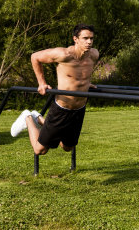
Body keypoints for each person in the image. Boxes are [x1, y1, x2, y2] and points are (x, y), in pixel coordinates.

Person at [11, 23, 98, 155]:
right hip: (62, 108)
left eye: (91, 38)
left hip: (79, 109)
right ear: (75, 39)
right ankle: (28, 117)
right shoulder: (64, 54)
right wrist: (42, 83)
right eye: (85, 38)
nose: (89, 42)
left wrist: (86, 83)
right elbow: (35, 57)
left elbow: (83, 72)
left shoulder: (94, 54)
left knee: (67, 147)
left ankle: (38, 118)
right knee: (40, 150)